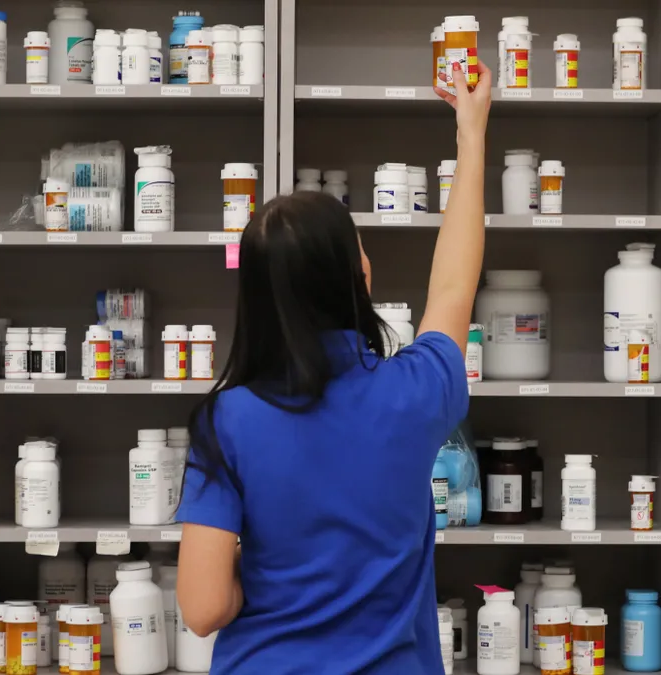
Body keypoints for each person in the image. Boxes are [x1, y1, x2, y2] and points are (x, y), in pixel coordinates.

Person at [174, 60, 493, 674]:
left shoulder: (227, 420)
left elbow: (204, 608)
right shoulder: (417, 391)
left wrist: (259, 581)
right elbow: (454, 284)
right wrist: (471, 132)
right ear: (360, 277)